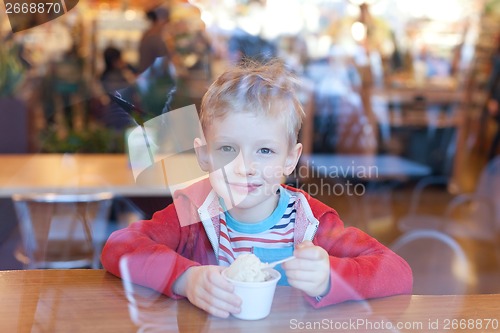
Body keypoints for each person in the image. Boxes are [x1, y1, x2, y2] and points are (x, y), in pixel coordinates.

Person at [101, 60, 412, 318]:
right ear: (204, 156)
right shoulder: (193, 210)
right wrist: (185, 279)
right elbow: (120, 247)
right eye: (226, 149)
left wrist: (330, 278)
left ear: (291, 159)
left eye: (264, 151)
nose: (245, 166)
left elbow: (398, 272)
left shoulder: (312, 221)